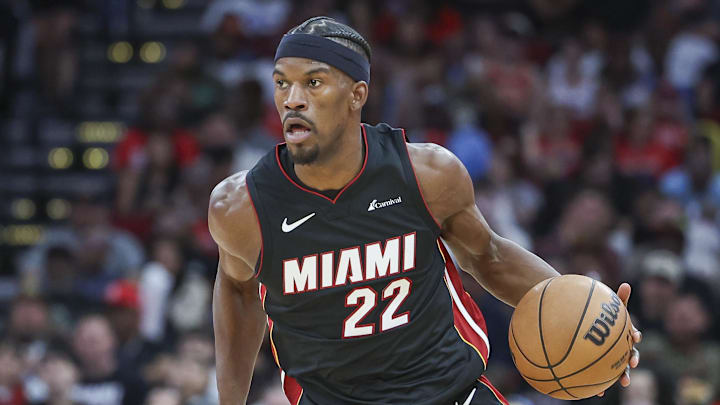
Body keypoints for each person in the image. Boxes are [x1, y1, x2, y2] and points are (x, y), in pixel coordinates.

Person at [208, 16, 642, 405]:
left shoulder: (425, 173)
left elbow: (487, 255)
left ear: (357, 94)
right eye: (282, 82)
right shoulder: (241, 207)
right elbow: (238, 290)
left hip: (450, 391)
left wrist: (591, 317)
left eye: (314, 83)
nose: (293, 99)